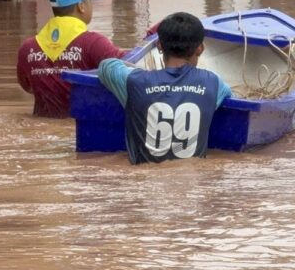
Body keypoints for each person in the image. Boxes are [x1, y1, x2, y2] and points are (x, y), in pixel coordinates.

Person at [98, 12, 232, 165]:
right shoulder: (214, 83)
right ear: (200, 48)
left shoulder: (135, 82)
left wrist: (138, 71)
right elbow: (230, 95)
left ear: (159, 45)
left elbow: (106, 66)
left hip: (144, 181)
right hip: (191, 182)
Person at [17, 0, 125, 118]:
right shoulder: (94, 44)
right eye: (90, 0)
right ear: (81, 6)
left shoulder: (28, 48)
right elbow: (128, 70)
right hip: (82, 130)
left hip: (43, 127)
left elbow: (27, 86)